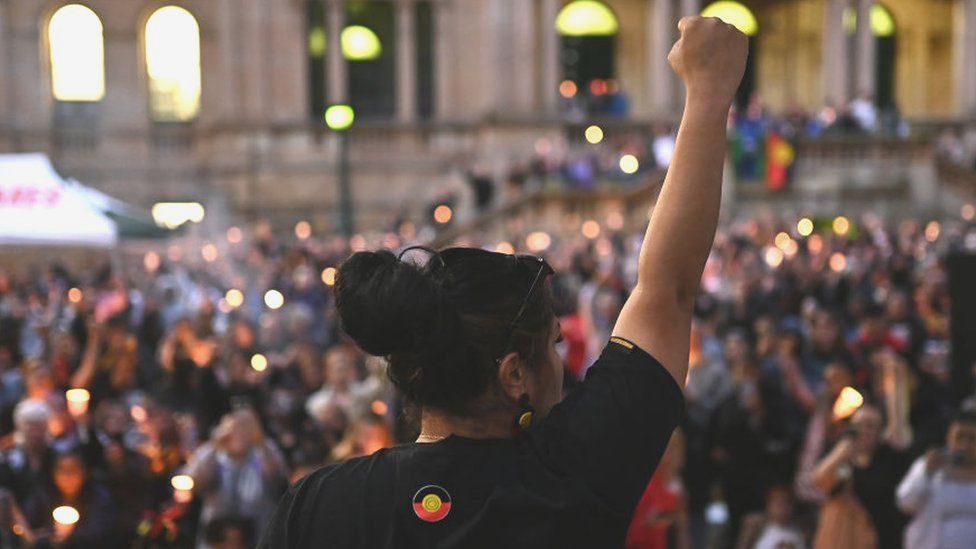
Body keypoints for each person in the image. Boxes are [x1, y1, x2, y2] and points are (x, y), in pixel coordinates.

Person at [260, 16, 748, 548]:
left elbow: (667, 289)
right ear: (515, 374)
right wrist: (708, 94)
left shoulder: (318, 504)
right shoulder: (571, 477)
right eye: (553, 345)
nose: (563, 365)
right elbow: (668, 288)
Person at [897, 409, 976, 549]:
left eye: (972, 439)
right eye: (959, 437)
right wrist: (926, 473)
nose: (965, 445)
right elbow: (906, 502)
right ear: (949, 438)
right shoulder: (929, 465)